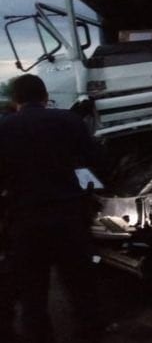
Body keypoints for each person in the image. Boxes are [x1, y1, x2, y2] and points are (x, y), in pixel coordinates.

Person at [0, 74, 103, 342]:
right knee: (81, 287)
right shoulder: (69, 120)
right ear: (45, 97)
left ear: (15, 100)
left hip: (26, 221)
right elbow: (95, 160)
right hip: (69, 217)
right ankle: (89, 334)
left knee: (33, 292)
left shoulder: (4, 128)